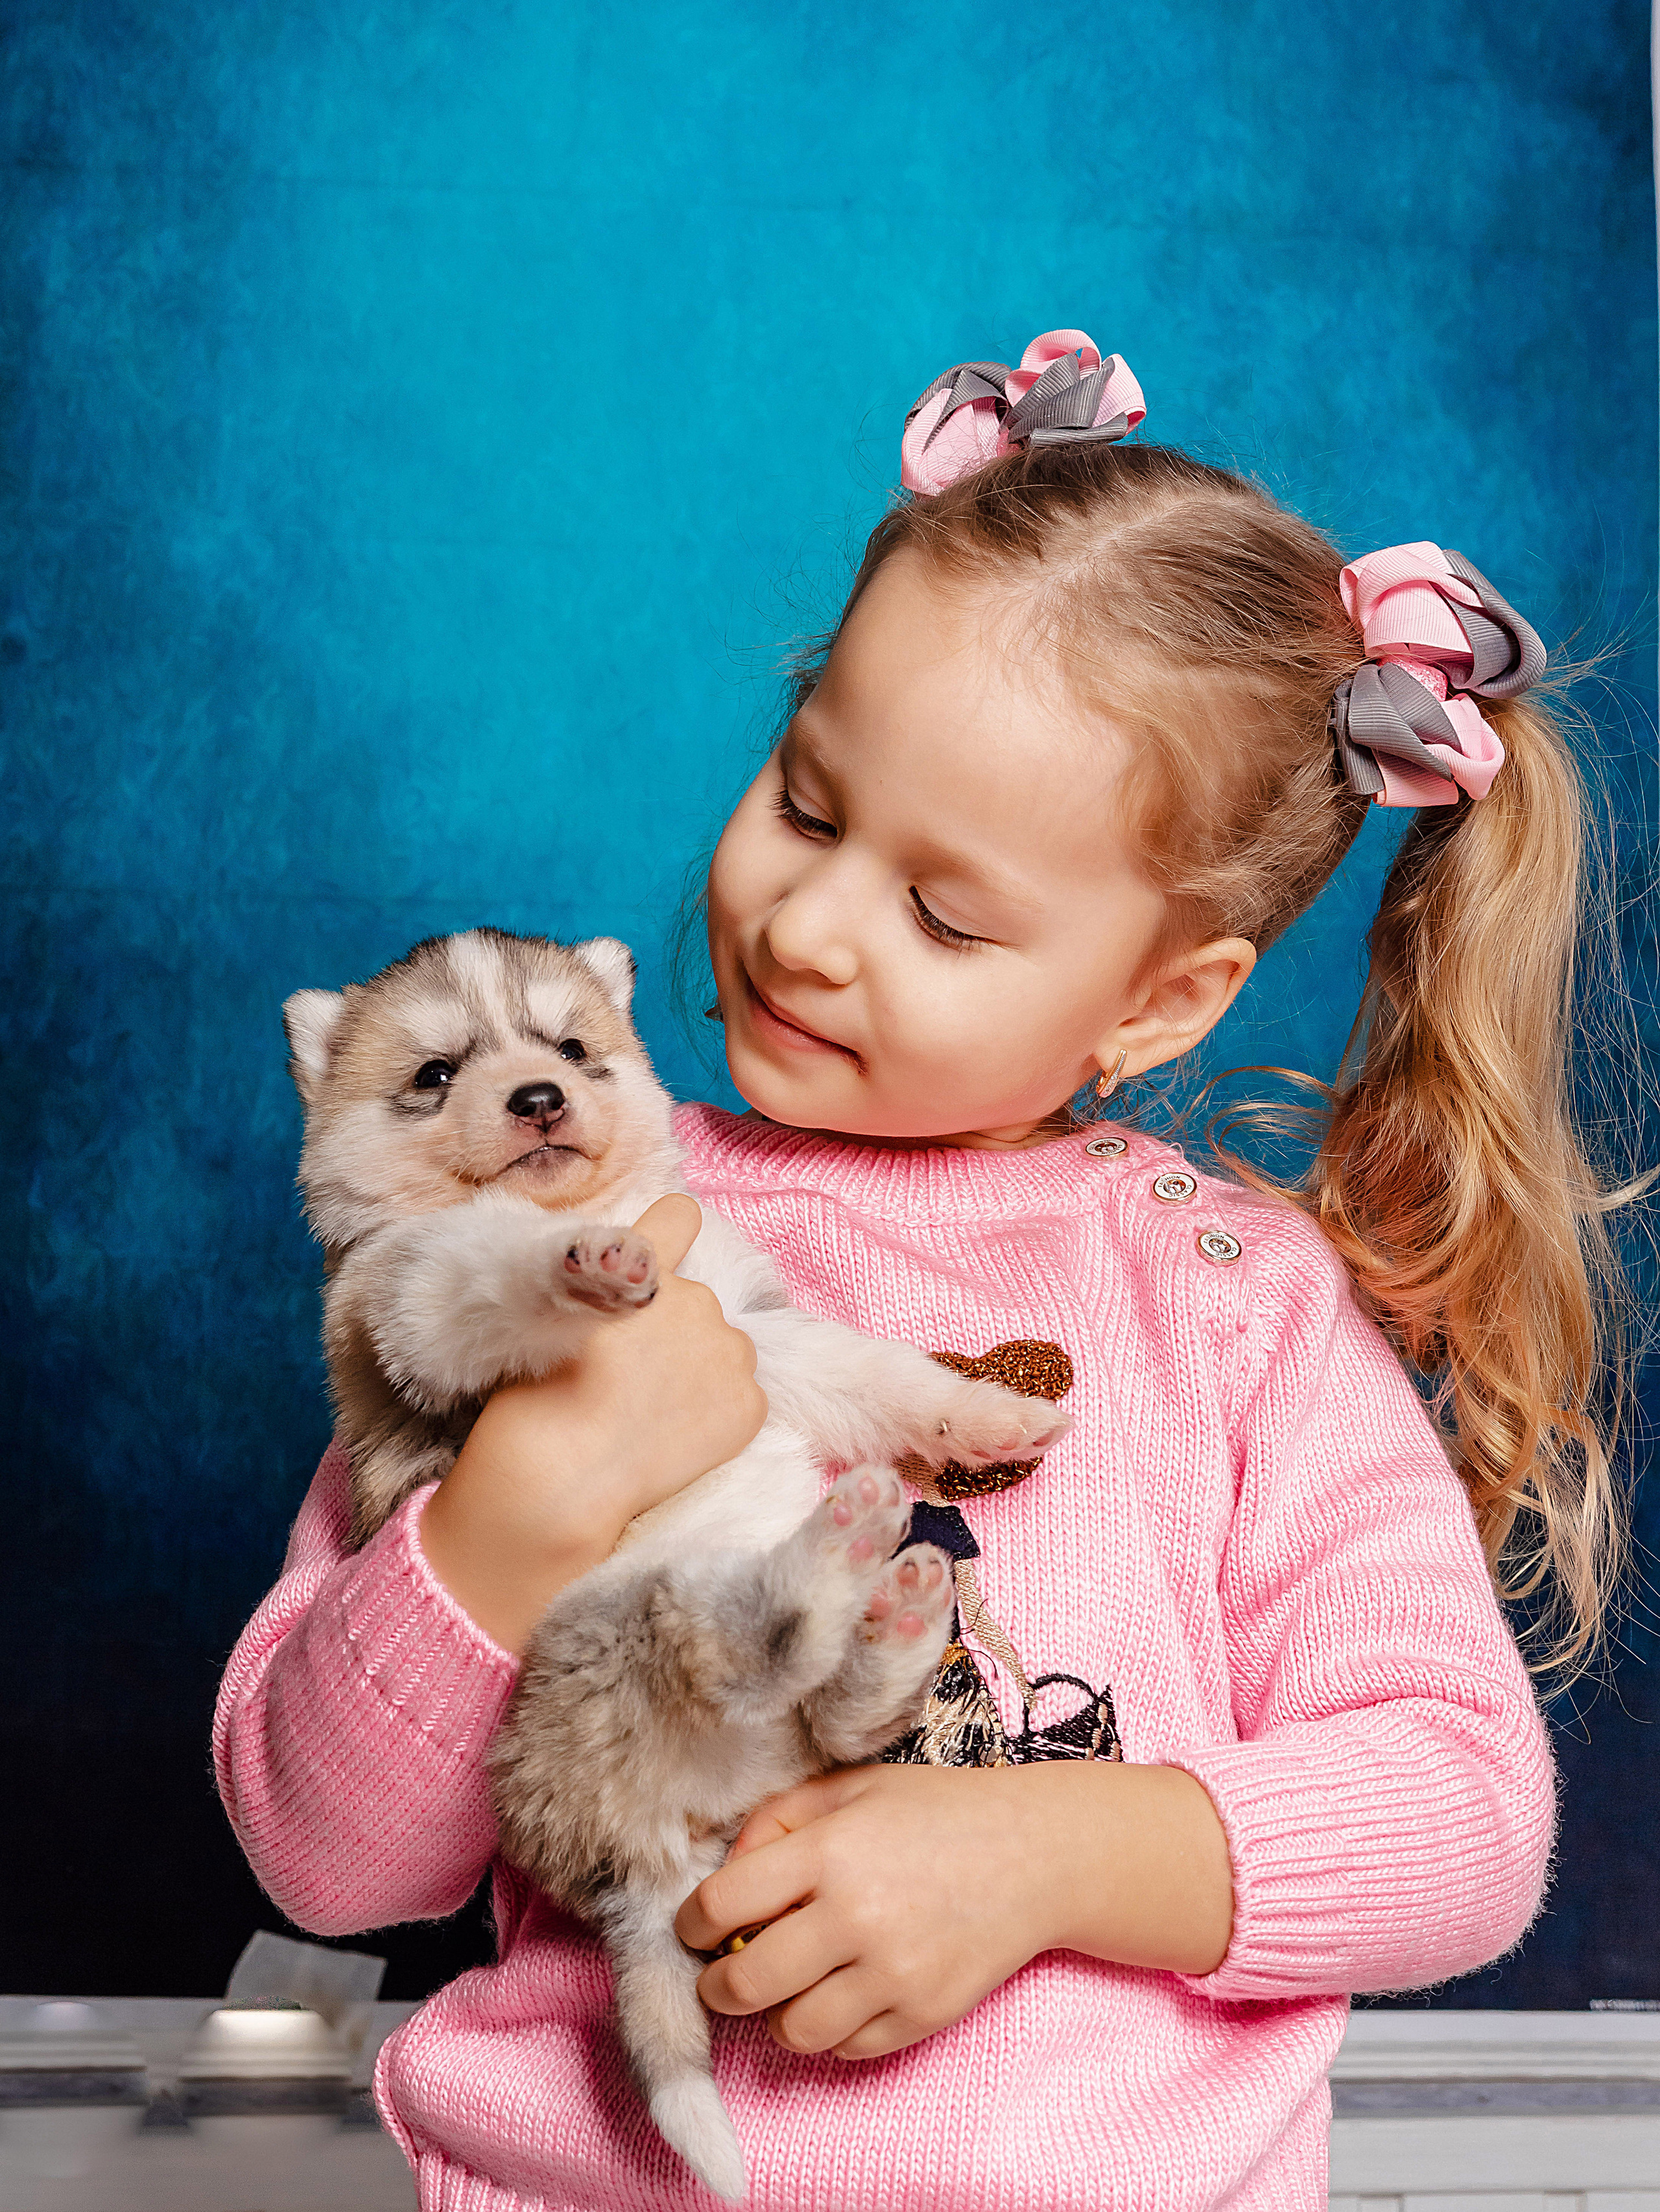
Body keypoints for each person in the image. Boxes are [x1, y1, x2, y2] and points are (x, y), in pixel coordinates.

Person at [216, 329, 1625, 2211]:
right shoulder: (576, 1233)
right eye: (805, 801)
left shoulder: (1232, 1298)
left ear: (1160, 999)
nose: (805, 929)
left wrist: (1046, 1853)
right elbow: (320, 1855)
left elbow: (1463, 1807)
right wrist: (513, 1511)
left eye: (945, 915)